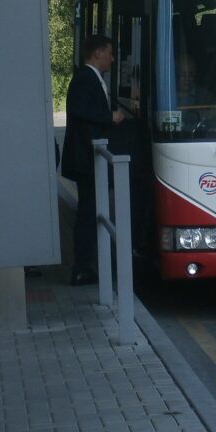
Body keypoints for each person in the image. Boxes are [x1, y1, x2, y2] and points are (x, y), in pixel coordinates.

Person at [60, 35, 124, 286]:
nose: (112, 58)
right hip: (86, 159)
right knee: (88, 213)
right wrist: (109, 117)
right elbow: (80, 110)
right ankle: (82, 267)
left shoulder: (88, 78)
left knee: (90, 210)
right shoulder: (85, 78)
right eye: (109, 52)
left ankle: (85, 264)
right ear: (97, 53)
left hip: (87, 158)